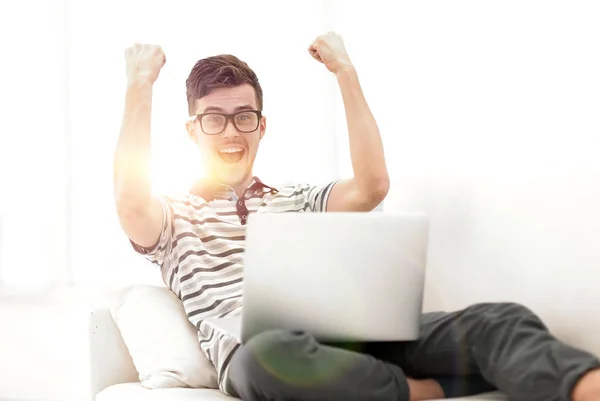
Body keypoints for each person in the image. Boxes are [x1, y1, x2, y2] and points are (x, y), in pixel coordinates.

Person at [113, 33, 600, 401]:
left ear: (261, 126)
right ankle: (419, 390)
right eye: (213, 119)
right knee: (269, 356)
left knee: (501, 319)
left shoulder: (299, 196)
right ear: (193, 131)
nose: (230, 131)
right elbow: (131, 204)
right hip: (264, 356)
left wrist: (345, 71)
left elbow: (372, 187)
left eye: (243, 116)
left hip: (348, 341)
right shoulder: (170, 216)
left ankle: (584, 387)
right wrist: (140, 85)